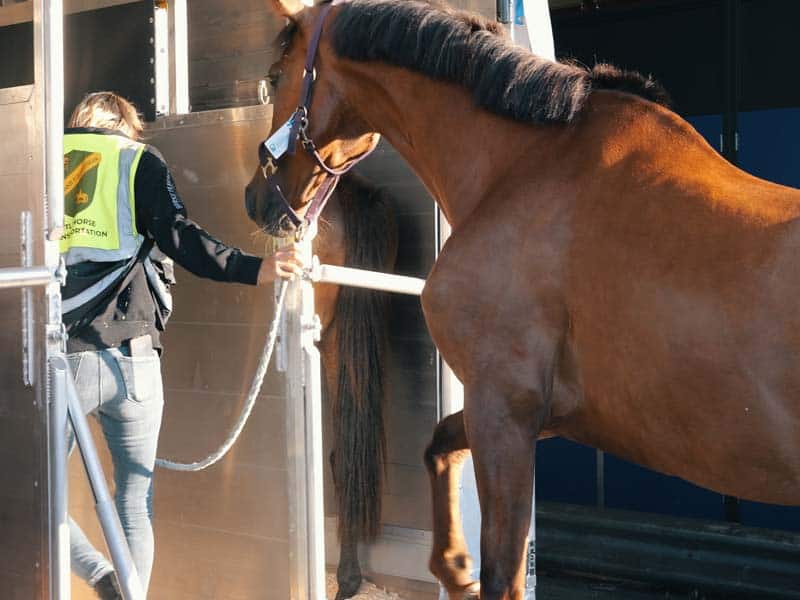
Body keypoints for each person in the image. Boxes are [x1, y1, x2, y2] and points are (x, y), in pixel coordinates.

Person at [61, 91, 303, 599]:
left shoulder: (42, 161)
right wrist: (254, 268)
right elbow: (179, 237)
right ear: (127, 124)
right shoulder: (136, 159)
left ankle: (102, 577)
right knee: (133, 500)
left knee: (35, 492)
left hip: (64, 358)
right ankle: (129, 591)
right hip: (135, 360)